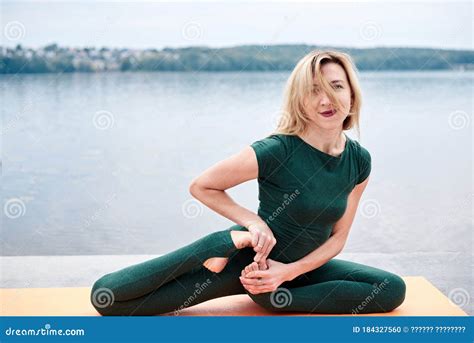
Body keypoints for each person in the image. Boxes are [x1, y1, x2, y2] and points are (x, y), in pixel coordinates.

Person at [90, 50, 406, 316]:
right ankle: (216, 246)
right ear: (301, 100)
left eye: (336, 86)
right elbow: (203, 185)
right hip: (246, 264)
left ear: (351, 93)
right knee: (109, 300)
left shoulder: (359, 160)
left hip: (299, 272)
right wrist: (252, 224)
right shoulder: (277, 150)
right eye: (314, 90)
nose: (326, 98)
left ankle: (271, 296)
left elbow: (337, 239)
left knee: (392, 290)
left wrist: (286, 273)